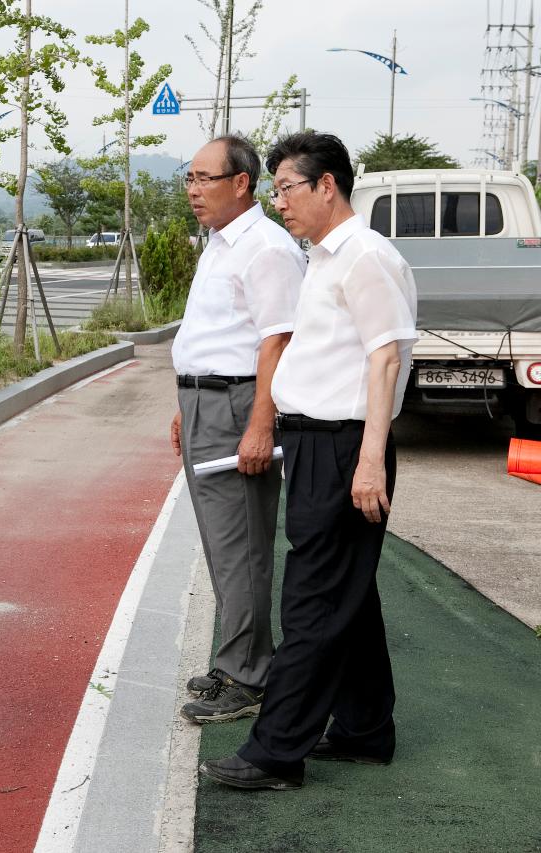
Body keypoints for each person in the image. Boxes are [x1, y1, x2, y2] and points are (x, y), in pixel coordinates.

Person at [200, 131, 417, 790]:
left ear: (327, 185)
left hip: (347, 442)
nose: (279, 201)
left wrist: (371, 460)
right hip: (321, 441)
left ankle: (275, 752)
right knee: (348, 593)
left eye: (288, 187)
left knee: (311, 601)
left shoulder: (365, 258)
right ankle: (364, 727)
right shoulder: (325, 257)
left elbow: (385, 357)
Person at [171, 134, 305, 724]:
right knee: (222, 544)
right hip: (208, 401)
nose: (194, 190)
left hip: (239, 406)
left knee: (242, 544)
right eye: (190, 179)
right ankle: (237, 660)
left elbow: (279, 339)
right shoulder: (222, 243)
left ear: (241, 183)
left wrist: (259, 424)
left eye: (205, 179)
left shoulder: (267, 248)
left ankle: (249, 675)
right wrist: (187, 398)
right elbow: (217, 331)